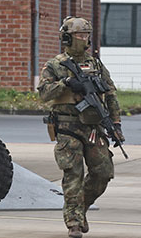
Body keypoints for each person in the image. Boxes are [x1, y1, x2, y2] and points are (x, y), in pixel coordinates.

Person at [38, 17, 122, 238]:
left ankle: (80, 209)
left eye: (86, 35)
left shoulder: (95, 64)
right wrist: (65, 83)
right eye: (79, 35)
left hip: (93, 127)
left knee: (103, 173)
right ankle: (73, 223)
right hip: (67, 126)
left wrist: (116, 123)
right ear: (67, 37)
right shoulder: (55, 65)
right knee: (73, 175)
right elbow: (44, 94)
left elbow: (110, 93)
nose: (83, 39)